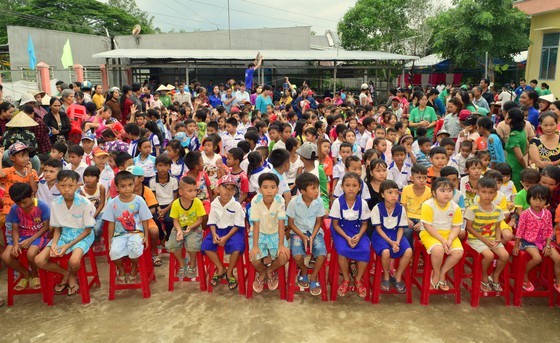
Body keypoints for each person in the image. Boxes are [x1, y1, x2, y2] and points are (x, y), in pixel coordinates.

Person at [35, 170, 96, 296]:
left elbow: (88, 230)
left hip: (83, 235)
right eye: (62, 186)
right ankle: (66, 273)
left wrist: (67, 246)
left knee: (74, 261)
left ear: (78, 185)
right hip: (64, 234)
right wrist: (54, 244)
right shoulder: (55, 203)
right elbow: (58, 228)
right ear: (57, 186)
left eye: (71, 186)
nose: (66, 189)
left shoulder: (85, 204)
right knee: (39, 260)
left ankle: (73, 276)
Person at [103, 171, 152, 283]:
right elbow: (111, 222)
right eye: (123, 186)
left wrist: (145, 236)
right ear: (117, 187)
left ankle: (134, 266)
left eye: (130, 185)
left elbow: (145, 219)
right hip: (119, 234)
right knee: (114, 253)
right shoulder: (112, 203)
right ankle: (121, 268)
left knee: (134, 248)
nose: (127, 189)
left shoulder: (139, 200)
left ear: (134, 185)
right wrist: (110, 240)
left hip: (137, 233)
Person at [1, 183, 50, 292]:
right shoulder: (14, 209)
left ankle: (34, 273)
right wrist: (15, 244)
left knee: (31, 254)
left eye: (24, 202)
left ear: (32, 195)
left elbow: (46, 227)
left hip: (39, 235)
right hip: (21, 236)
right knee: (5, 257)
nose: (22, 205)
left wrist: (31, 239)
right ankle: (25, 273)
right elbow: (15, 229)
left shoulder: (42, 206)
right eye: (18, 203)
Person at [464, 177, 509, 292]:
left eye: (491, 192)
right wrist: (484, 239)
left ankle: (495, 275)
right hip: (475, 239)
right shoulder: (472, 208)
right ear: (478, 192)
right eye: (484, 192)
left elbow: (498, 226)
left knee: (505, 256)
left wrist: (498, 238)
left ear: (495, 193)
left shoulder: (498, 210)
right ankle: (483, 275)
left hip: (492, 238)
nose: (487, 196)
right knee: (489, 256)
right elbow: (469, 227)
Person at [329, 173, 371, 298]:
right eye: (347, 185)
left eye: (354, 185)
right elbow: (335, 224)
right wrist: (347, 238)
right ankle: (346, 278)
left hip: (358, 231)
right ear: (342, 187)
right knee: (342, 250)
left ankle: (358, 278)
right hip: (341, 231)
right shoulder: (337, 202)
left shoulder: (363, 203)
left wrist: (358, 236)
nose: (351, 188)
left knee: (365, 250)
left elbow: (364, 223)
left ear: (360, 188)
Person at [202, 175, 246, 290]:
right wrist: (214, 234)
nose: (228, 191)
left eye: (232, 189)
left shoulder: (236, 205)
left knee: (237, 247)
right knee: (206, 246)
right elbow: (211, 221)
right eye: (225, 187)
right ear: (218, 189)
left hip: (233, 231)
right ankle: (220, 268)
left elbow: (238, 225)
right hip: (217, 230)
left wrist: (226, 237)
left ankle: (230, 272)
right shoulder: (214, 204)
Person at [513, 185, 560, 293]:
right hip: (528, 241)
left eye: (541, 200)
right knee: (537, 258)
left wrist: (548, 245)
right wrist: (516, 245)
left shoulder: (547, 214)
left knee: (558, 259)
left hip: (543, 241)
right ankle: (524, 275)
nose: (537, 203)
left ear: (546, 201)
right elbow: (519, 230)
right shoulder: (525, 214)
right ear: (529, 199)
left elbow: (549, 230)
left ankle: (557, 281)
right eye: (534, 199)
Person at [420, 177, 464, 291]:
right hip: (430, 233)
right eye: (442, 191)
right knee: (438, 250)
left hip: (449, 234)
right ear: (434, 192)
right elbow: (427, 226)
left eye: (450, 190)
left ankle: (442, 272)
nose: (447, 194)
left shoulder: (455, 207)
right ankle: (435, 272)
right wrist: (443, 240)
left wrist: (449, 239)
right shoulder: (428, 205)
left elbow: (456, 226)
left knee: (458, 252)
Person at [249, 173, 290, 293]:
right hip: (259, 233)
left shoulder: (280, 200)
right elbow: (256, 225)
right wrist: (255, 246)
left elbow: (281, 224)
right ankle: (262, 272)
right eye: (265, 187)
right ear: (260, 189)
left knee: (283, 257)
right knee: (254, 259)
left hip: (275, 234)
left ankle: (269, 271)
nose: (269, 191)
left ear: (277, 189)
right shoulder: (256, 200)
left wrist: (281, 245)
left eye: (273, 187)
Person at [287, 173, 327, 296]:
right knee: (297, 255)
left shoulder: (319, 202)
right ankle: (303, 270)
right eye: (313, 188)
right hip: (298, 232)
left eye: (317, 188)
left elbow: (319, 222)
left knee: (321, 253)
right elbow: (291, 224)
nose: (317, 191)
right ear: (303, 191)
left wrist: (313, 236)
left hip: (315, 231)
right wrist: (303, 236)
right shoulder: (294, 203)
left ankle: (314, 277)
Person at [371, 180, 412, 293]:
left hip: (396, 235)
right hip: (381, 236)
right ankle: (386, 275)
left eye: (396, 192)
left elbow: (401, 228)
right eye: (390, 192)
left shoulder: (400, 208)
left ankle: (398, 276)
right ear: (383, 194)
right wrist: (390, 242)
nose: (394, 195)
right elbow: (378, 229)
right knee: (385, 252)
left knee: (408, 251)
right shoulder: (377, 208)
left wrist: (397, 241)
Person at [166, 176, 206, 279]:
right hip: (179, 227)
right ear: (181, 192)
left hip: (194, 227)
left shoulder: (197, 202)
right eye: (190, 191)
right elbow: (175, 220)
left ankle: (192, 263)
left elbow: (200, 220)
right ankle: (182, 263)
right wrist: (179, 231)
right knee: (171, 245)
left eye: (195, 190)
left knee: (193, 245)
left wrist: (190, 227)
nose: (194, 193)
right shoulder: (175, 204)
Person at [0, 143, 39, 231]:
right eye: (22, 156)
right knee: (12, 237)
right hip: (10, 211)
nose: (26, 159)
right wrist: (0, 157)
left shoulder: (32, 172)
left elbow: (34, 190)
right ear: (12, 158)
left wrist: (30, 174)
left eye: (27, 156)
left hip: (28, 211)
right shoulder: (8, 171)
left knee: (26, 235)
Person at [78, 166, 106, 241]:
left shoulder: (101, 187)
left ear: (98, 178)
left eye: (92, 176)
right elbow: (83, 206)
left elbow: (101, 204)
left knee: (96, 229)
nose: (89, 178)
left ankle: (96, 242)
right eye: (86, 176)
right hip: (87, 213)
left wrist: (93, 216)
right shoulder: (81, 190)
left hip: (100, 213)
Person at [505, 107, 527, 190]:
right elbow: (527, 146)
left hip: (514, 169)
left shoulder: (514, 136)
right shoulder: (522, 132)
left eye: (507, 115)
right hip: (518, 166)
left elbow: (520, 157)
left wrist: (525, 168)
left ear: (510, 120)